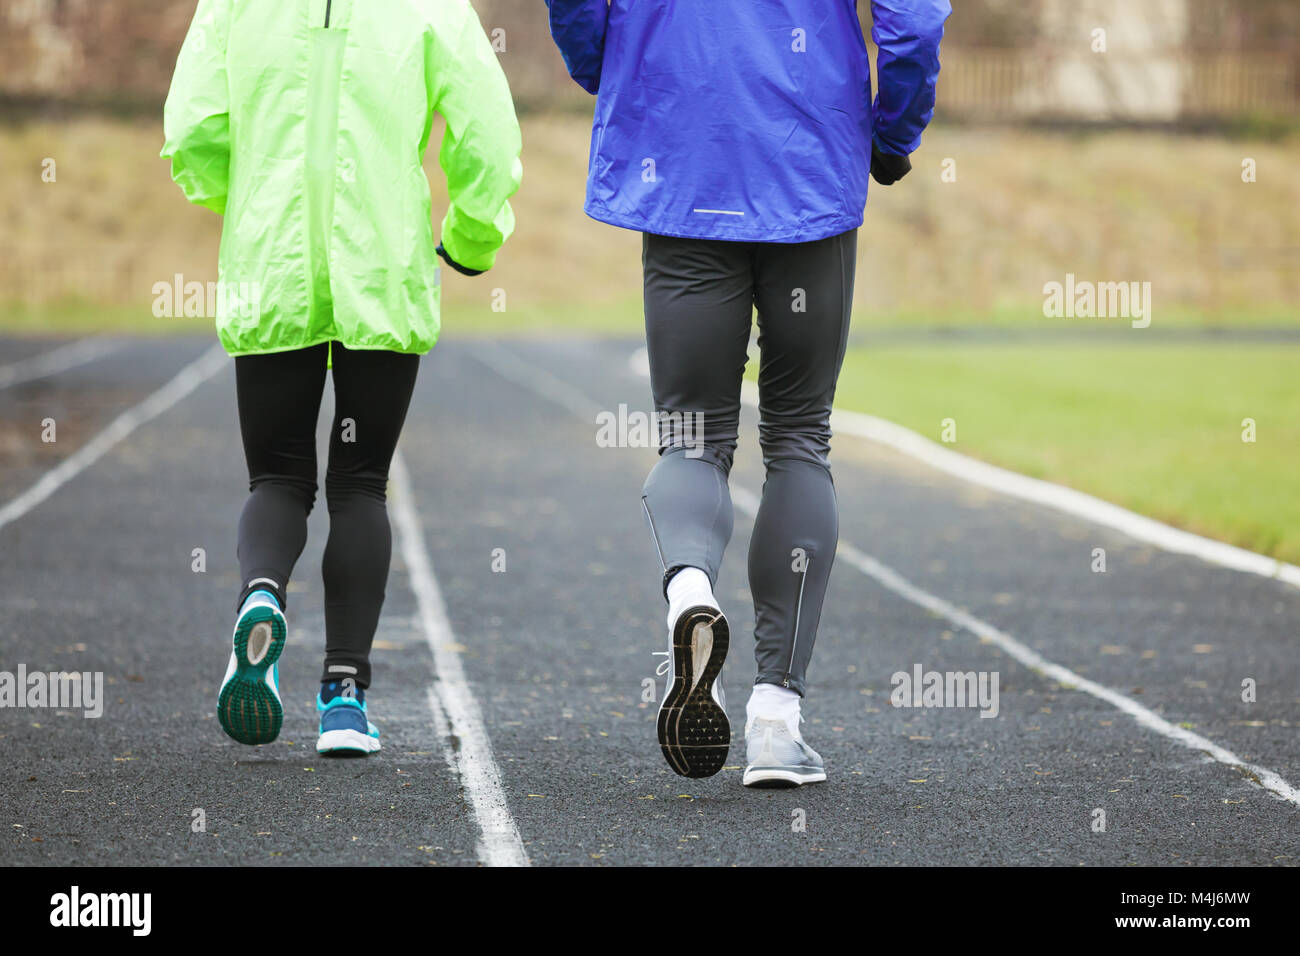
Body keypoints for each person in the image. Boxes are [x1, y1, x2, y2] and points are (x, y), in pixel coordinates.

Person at [547, 0, 949, 784]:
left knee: (692, 435)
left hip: (682, 152)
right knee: (799, 438)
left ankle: (690, 588)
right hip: (809, 160)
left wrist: (623, 70)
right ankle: (775, 720)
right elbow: (915, 19)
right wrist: (896, 131)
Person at [162, 0, 521, 755]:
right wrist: (470, 237)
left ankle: (262, 592)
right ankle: (345, 697)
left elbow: (193, 125)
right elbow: (486, 134)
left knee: (277, 479)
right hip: (383, 269)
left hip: (271, 269)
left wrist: (245, 206)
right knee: (361, 485)